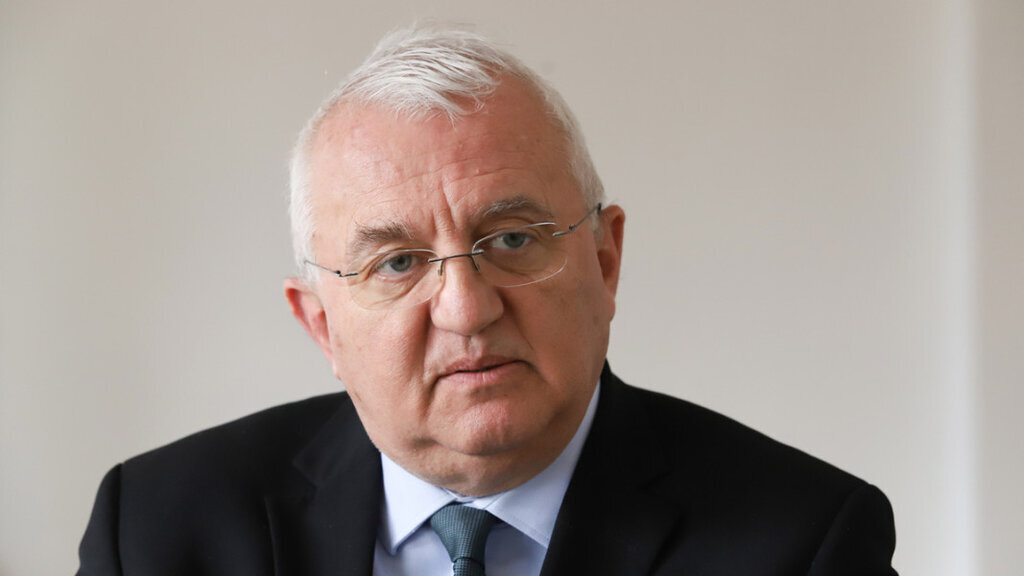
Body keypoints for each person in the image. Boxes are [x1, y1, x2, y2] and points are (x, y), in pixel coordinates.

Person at [76, 27, 898, 576]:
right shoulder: (155, 531)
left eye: (510, 240)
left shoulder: (803, 543)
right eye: (398, 262)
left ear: (605, 260)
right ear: (321, 324)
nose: (466, 310)